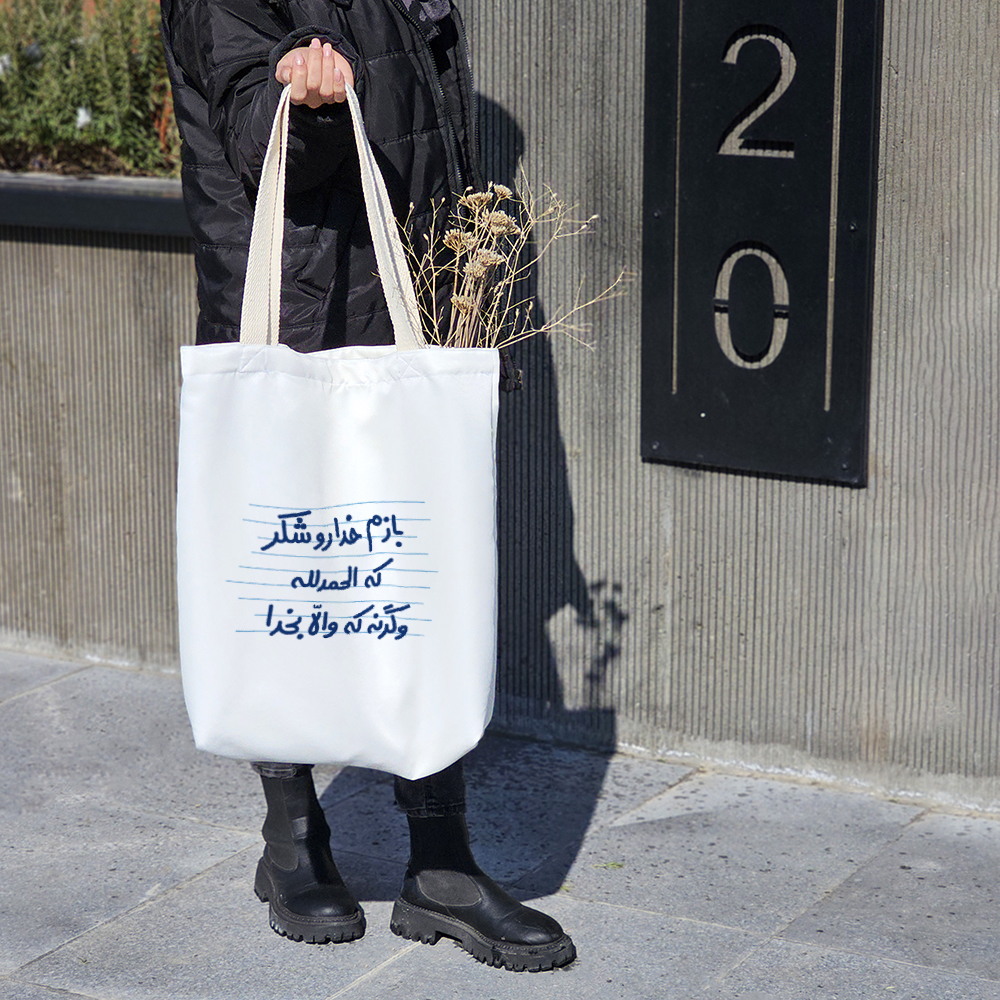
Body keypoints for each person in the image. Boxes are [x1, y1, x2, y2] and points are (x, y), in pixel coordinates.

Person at [159, 0, 574, 973]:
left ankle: (442, 861)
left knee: (415, 573)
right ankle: (293, 838)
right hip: (297, 301)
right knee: (291, 572)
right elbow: (254, 135)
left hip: (400, 298)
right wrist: (300, 106)